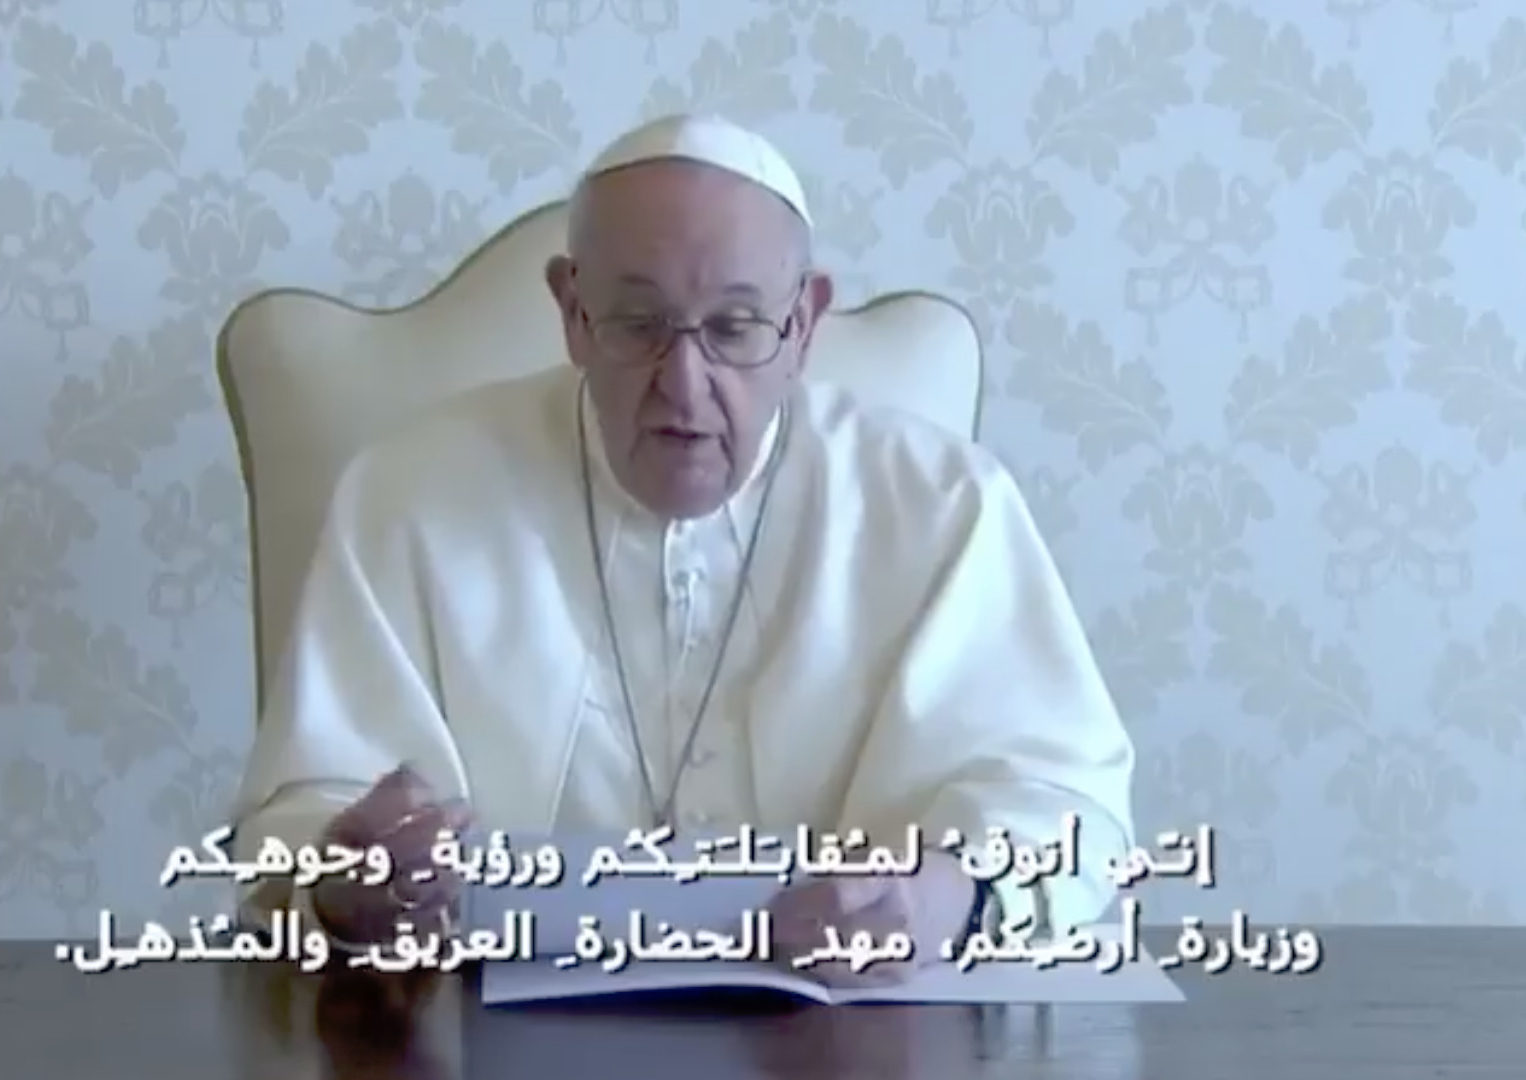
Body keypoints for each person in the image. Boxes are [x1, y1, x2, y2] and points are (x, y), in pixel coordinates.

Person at [229, 114, 1135, 985]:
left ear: (804, 322)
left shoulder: (939, 501)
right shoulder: (411, 492)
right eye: (639, 324)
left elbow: (1065, 802)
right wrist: (347, 887)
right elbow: (303, 816)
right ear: (573, 311)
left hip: (853, 1038)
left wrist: (949, 897)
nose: (685, 386)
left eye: (735, 328)